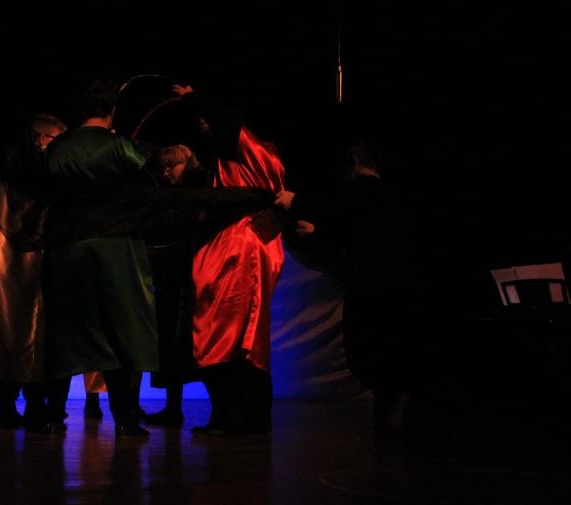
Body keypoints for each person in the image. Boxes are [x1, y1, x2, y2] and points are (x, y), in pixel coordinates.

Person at [41, 78, 277, 437]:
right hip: (114, 250)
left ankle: (52, 416)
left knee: (64, 332)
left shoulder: (57, 149)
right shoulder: (120, 149)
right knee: (122, 333)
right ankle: (125, 420)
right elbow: (159, 182)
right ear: (111, 112)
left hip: (64, 252)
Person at [274, 139, 419, 433]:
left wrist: (297, 201)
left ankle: (390, 404)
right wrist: (319, 229)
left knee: (365, 347)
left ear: (353, 163)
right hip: (396, 284)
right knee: (386, 347)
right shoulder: (390, 197)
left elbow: (338, 212)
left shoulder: (361, 191)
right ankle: (390, 407)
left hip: (368, 284)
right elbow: (354, 226)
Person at [171, 84, 287, 436]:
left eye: (208, 119)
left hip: (242, 250)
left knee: (231, 333)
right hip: (237, 247)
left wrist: (192, 98)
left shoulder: (248, 147)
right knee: (232, 332)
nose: (203, 123)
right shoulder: (232, 159)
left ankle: (235, 416)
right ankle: (241, 416)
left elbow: (226, 120)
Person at [0, 112, 71, 433]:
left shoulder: (26, 168)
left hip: (28, 256)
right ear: (40, 138)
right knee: (12, 324)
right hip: (14, 256)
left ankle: (30, 405)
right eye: (53, 140)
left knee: (33, 328)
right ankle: (11, 405)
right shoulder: (24, 168)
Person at [142, 144, 210, 427]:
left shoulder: (198, 192)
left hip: (192, 276)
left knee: (192, 341)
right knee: (171, 341)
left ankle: (213, 408)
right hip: (172, 277)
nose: (166, 172)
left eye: (172, 166)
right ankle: (173, 407)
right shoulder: (170, 196)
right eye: (164, 167)